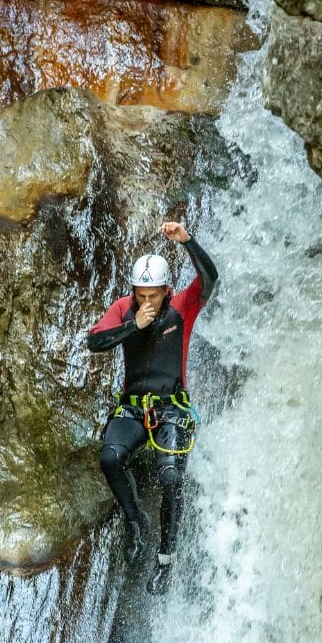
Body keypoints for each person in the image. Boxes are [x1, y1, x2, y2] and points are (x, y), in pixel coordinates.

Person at [86, 221, 219, 594]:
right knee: (110, 458)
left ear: (165, 290)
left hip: (172, 408)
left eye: (153, 295)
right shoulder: (124, 310)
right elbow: (94, 342)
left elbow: (211, 278)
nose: (147, 302)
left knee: (172, 477)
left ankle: (165, 561)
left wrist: (188, 242)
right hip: (133, 408)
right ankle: (136, 524)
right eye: (140, 295)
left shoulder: (181, 308)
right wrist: (133, 327)